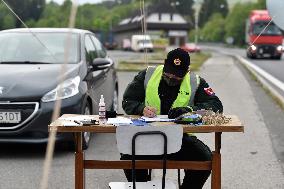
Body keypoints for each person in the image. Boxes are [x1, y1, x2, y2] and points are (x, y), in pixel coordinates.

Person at [121, 48, 223, 189]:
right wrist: (141, 109)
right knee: (128, 156)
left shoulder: (196, 82)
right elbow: (128, 100)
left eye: (177, 76)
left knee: (205, 159)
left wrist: (189, 110)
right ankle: (142, 186)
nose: (171, 78)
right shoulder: (147, 75)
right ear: (164, 64)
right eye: (168, 74)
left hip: (180, 139)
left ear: (186, 71)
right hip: (146, 136)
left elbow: (216, 105)